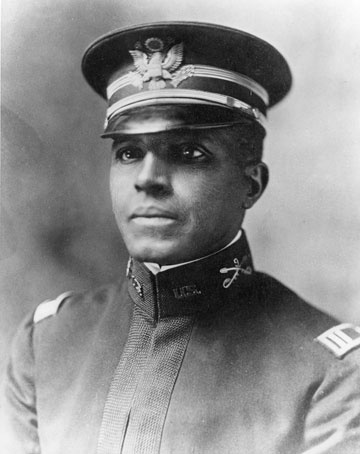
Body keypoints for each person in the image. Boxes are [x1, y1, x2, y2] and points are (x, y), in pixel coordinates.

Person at [1, 21, 360, 454]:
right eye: (129, 152)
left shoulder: (328, 375)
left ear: (251, 185)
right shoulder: (47, 344)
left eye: (188, 153)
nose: (148, 179)